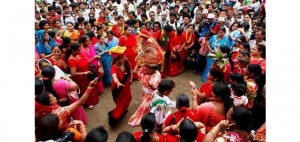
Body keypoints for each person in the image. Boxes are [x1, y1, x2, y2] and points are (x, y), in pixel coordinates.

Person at [66, 42, 99, 109]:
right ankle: (88, 103)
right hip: (80, 77)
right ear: (73, 50)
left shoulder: (80, 53)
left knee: (91, 87)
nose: (80, 51)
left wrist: (94, 58)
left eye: (80, 49)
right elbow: (73, 73)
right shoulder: (71, 59)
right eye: (78, 50)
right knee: (85, 89)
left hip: (88, 73)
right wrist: (84, 73)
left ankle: (94, 100)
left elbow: (87, 61)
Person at [108, 47, 132, 126]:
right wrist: (118, 82)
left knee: (128, 98)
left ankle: (123, 110)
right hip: (118, 89)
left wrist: (131, 78)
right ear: (116, 60)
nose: (122, 60)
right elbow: (114, 77)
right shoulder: (113, 67)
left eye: (123, 58)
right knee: (120, 103)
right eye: (120, 59)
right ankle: (114, 117)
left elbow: (130, 70)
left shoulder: (126, 62)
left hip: (127, 86)